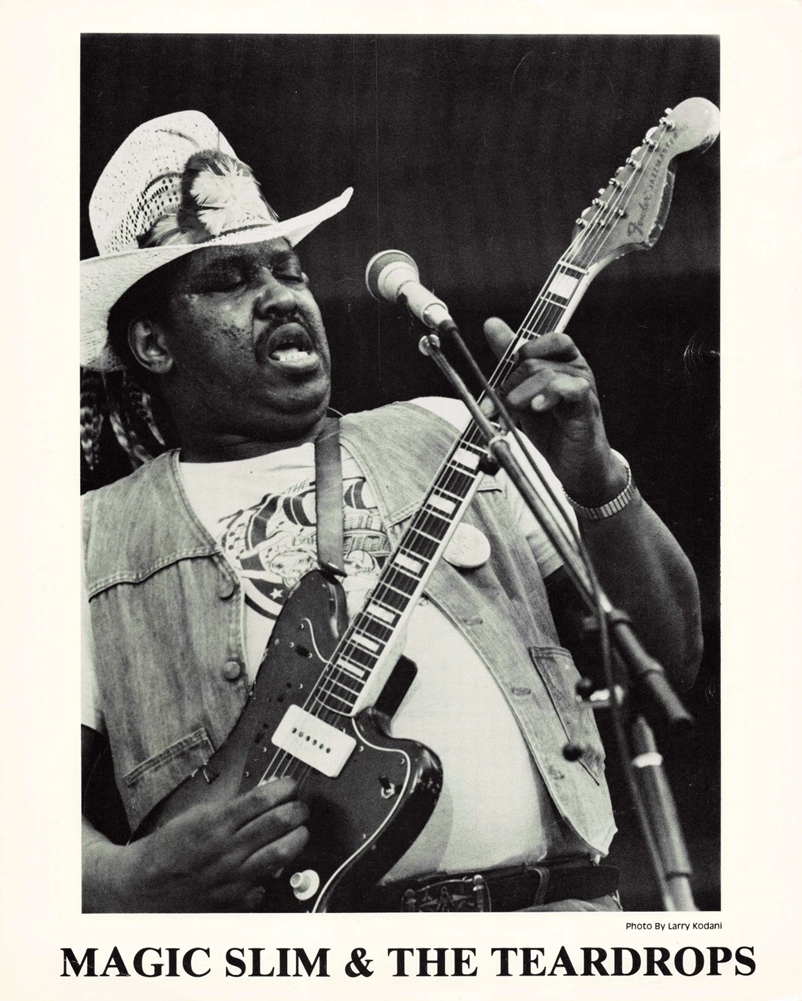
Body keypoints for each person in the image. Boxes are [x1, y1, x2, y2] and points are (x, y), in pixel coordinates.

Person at [81, 111, 703, 913]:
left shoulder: (450, 429)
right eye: (229, 280)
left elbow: (667, 659)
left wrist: (596, 477)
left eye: (288, 270)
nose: (278, 296)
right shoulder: (88, 538)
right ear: (153, 343)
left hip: (555, 928)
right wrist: (128, 879)